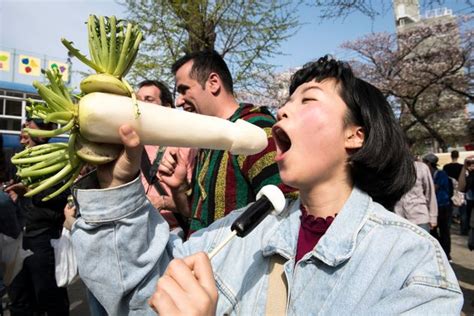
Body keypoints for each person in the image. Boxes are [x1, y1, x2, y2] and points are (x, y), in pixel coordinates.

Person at [70, 55, 462, 315]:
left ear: (355, 136)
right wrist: (119, 189)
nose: (284, 108)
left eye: (308, 99)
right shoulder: (242, 231)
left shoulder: (412, 262)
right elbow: (143, 292)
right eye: (287, 99)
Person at [159, 50, 296, 235]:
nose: (178, 101)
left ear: (213, 83)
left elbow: (284, 211)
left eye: (184, 90)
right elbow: (195, 217)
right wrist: (179, 187)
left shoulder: (256, 130)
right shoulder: (208, 142)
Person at [5, 119, 70, 315]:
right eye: (25, 125)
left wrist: (30, 190)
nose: (46, 129)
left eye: (49, 126)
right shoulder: (17, 157)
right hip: (18, 237)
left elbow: (61, 195)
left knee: (49, 295)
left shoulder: (58, 159)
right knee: (19, 295)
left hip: (43, 237)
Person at [137, 79, 196, 232]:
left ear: (167, 107)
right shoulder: (131, 144)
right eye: (137, 100)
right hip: (136, 231)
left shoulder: (184, 145)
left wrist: (162, 202)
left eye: (148, 99)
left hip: (171, 232)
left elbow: (194, 203)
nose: (140, 104)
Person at [423, 153, 453, 261]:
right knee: (433, 231)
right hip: (431, 207)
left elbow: (434, 188)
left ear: (429, 163)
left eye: (425, 162)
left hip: (443, 205)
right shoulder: (427, 174)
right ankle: (437, 252)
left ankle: (447, 254)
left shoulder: (441, 174)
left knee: (444, 230)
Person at [395, 160, 438, 232]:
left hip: (419, 218)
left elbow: (430, 192)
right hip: (398, 219)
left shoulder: (421, 168)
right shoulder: (390, 169)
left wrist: (433, 217)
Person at [458, 155, 474, 236]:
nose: (472, 165)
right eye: (469, 164)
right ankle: (465, 230)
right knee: (466, 214)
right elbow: (461, 186)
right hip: (469, 197)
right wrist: (464, 168)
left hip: (470, 196)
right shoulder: (466, 172)